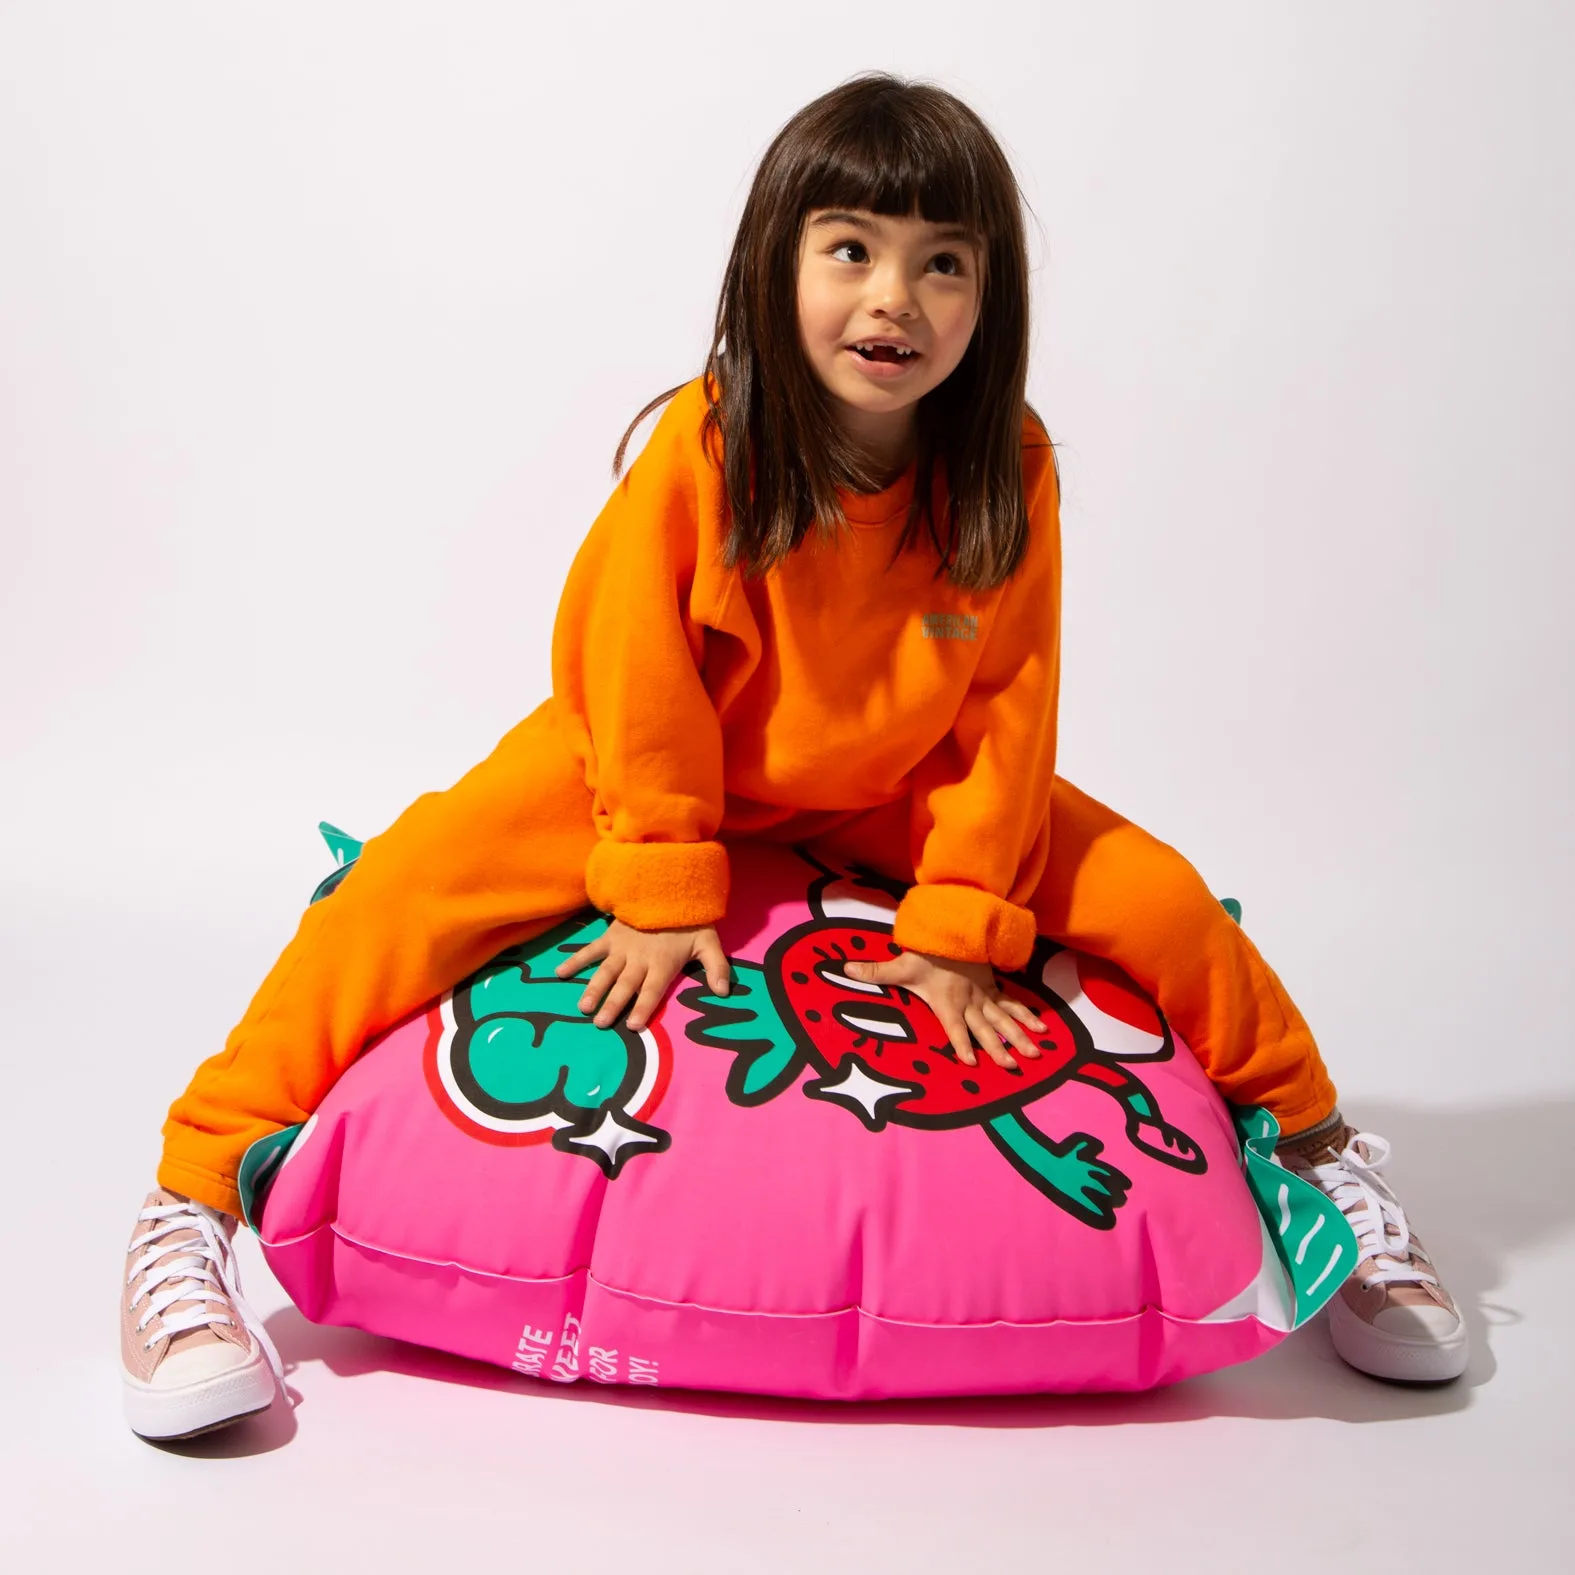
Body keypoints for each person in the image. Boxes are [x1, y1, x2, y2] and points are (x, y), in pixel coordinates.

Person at [119, 72, 1467, 1442]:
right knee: (401, 891)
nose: (895, 298)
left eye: (943, 264)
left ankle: (1325, 1160)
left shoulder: (1008, 464)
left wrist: (960, 923)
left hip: (892, 787)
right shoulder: (708, 444)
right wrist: (660, 874)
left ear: (991, 299)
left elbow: (1011, 707)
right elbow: (632, 664)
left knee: (1164, 901)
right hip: (648, 769)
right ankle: (191, 1199)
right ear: (777, 263)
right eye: (852, 250)